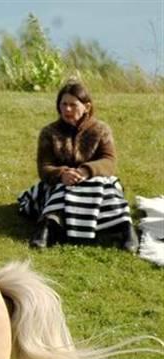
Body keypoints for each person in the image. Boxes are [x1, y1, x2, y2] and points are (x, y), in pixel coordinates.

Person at [17, 80, 138, 252]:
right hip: (61, 183)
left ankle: (125, 229)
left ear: (86, 107)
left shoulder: (101, 130)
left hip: (95, 181)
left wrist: (85, 171)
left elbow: (109, 161)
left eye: (73, 105)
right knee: (60, 190)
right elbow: (44, 167)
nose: (67, 110)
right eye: (63, 104)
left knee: (107, 188)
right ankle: (47, 226)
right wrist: (62, 174)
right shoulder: (49, 133)